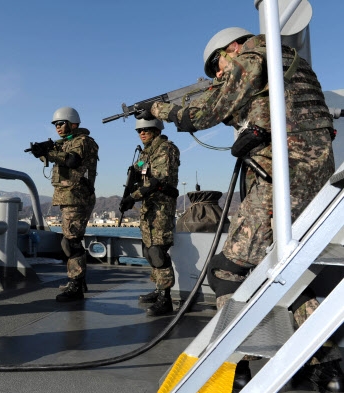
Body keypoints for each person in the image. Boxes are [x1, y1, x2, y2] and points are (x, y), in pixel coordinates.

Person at [141, 27, 342, 392]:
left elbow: (206, 113)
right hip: (315, 176)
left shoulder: (252, 57)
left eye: (218, 63)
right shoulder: (289, 63)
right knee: (291, 269)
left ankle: (240, 365)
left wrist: (160, 110)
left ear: (232, 46)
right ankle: (328, 366)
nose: (218, 73)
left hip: (281, 178)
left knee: (226, 272)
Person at [30, 107, 98, 302]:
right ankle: (79, 280)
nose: (57, 127)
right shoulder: (66, 143)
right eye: (55, 125)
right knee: (71, 240)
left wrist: (49, 154)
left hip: (77, 197)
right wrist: (42, 153)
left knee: (71, 242)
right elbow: (60, 156)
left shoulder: (83, 141)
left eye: (60, 123)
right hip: (68, 198)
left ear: (72, 123)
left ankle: (75, 285)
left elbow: (72, 160)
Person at [121, 118, 180, 316]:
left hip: (161, 207)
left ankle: (166, 299)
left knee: (157, 252)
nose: (142, 133)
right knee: (148, 250)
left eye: (147, 129)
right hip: (149, 207)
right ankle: (158, 289)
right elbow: (140, 168)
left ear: (156, 129)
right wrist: (134, 171)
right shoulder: (147, 152)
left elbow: (157, 180)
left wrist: (133, 196)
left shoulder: (165, 149)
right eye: (140, 130)